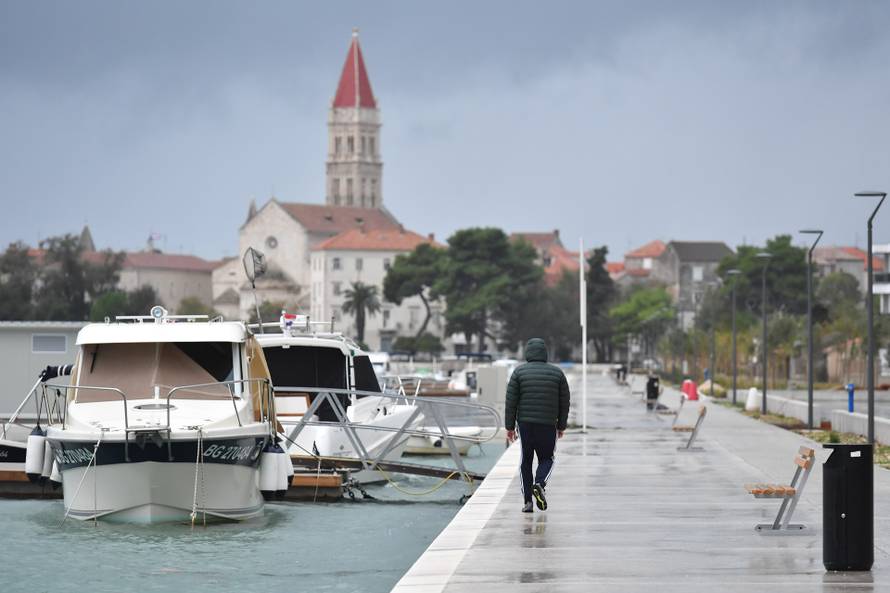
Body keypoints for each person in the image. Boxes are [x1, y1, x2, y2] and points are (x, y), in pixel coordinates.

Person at [505, 337, 570, 513]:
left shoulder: (519, 373)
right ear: (545, 353)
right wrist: (561, 425)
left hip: (525, 424)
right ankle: (539, 484)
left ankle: (527, 502)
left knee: (526, 461)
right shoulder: (557, 374)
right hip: (548, 424)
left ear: (528, 353)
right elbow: (565, 402)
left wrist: (509, 427)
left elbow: (511, 402)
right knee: (547, 458)